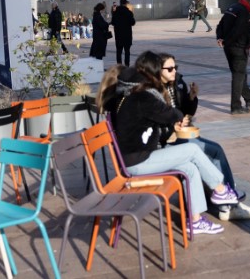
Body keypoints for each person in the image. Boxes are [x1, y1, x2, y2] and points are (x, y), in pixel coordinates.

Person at [97, 52, 240, 235]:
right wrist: (177, 119)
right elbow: (170, 113)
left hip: (136, 156)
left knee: (189, 167)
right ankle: (220, 189)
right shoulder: (141, 96)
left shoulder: (127, 94)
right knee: (192, 150)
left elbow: (167, 115)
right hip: (137, 162)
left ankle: (195, 221)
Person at [157, 52, 250, 221]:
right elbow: (159, 122)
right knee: (213, 151)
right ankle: (228, 203)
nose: (174, 72)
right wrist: (174, 126)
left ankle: (228, 203)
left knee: (215, 151)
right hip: (170, 140)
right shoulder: (155, 93)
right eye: (170, 69)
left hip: (181, 135)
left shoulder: (176, 83)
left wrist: (191, 98)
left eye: (175, 67)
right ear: (158, 70)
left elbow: (186, 111)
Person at [216, 0, 250, 114]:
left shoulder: (232, 7)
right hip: (238, 48)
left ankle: (249, 99)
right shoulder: (244, 11)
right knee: (238, 76)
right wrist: (228, 41)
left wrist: (220, 38)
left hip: (229, 47)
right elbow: (238, 30)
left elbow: (220, 25)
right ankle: (235, 106)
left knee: (240, 74)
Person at [111, 0, 136, 66]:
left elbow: (112, 23)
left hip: (118, 35)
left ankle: (119, 65)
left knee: (119, 51)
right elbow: (133, 22)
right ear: (126, 4)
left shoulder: (115, 13)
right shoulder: (129, 12)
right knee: (127, 52)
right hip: (127, 35)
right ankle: (127, 65)